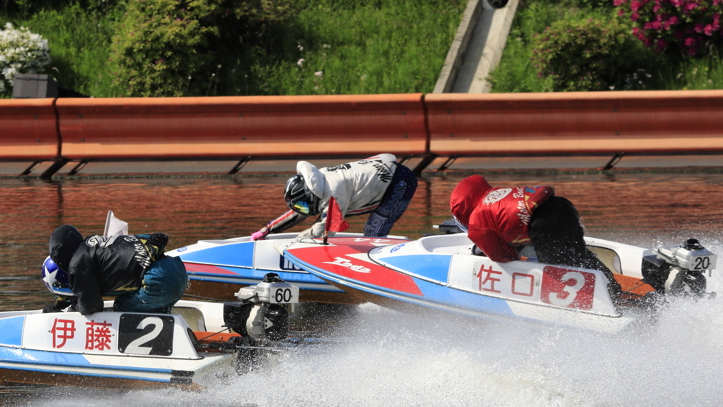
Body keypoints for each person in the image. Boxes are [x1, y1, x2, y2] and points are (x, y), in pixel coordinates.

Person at [449, 174, 622, 297]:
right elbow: (513, 217)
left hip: (544, 225)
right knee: (579, 253)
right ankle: (614, 288)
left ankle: (598, 300)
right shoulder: (494, 195)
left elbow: (503, 258)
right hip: (562, 206)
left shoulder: (476, 224)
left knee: (557, 268)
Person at [251, 154, 418, 241]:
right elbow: (298, 212)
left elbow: (324, 231)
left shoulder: (334, 196)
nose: (303, 209)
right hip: (383, 172)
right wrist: (267, 230)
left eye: (303, 204)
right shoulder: (317, 179)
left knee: (373, 231)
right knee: (370, 231)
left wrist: (296, 243)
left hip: (400, 182)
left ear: (309, 195)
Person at [44, 224, 188, 316]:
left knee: (121, 307)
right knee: (157, 311)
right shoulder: (96, 243)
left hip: (158, 281)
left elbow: (91, 307)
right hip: (176, 268)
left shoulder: (77, 266)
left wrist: (71, 310)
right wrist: (58, 304)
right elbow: (159, 238)